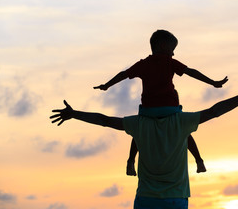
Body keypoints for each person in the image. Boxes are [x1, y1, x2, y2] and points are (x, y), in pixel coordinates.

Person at [50, 79, 238, 209]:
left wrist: (74, 114)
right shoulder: (182, 121)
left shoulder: (139, 124)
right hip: (176, 199)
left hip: (146, 198)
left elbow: (104, 120)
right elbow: (216, 110)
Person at [93, 30, 228, 175]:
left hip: (148, 111)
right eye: (172, 49)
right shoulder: (169, 62)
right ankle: (199, 161)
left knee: (138, 132)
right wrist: (212, 82)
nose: (173, 54)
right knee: (184, 130)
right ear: (163, 46)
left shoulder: (143, 64)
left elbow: (123, 75)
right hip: (170, 110)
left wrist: (107, 85)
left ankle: (131, 161)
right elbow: (191, 72)